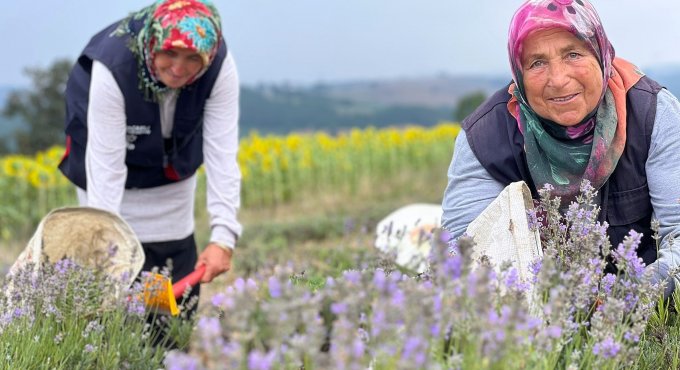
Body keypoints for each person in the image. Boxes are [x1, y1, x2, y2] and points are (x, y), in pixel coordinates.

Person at [442, 0, 680, 297]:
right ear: (519, 73)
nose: (558, 79)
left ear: (601, 54)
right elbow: (462, 254)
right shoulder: (486, 137)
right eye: (537, 63)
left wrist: (628, 298)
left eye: (573, 54)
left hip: (647, 312)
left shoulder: (652, 113)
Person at [58, 0, 242, 314]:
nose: (179, 68)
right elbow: (106, 167)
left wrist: (223, 237)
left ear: (207, 57)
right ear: (152, 46)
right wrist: (104, 246)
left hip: (169, 178)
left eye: (192, 58)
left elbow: (222, 154)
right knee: (114, 295)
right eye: (169, 53)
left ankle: (165, 354)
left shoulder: (219, 67)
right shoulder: (112, 67)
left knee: (168, 293)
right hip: (109, 176)